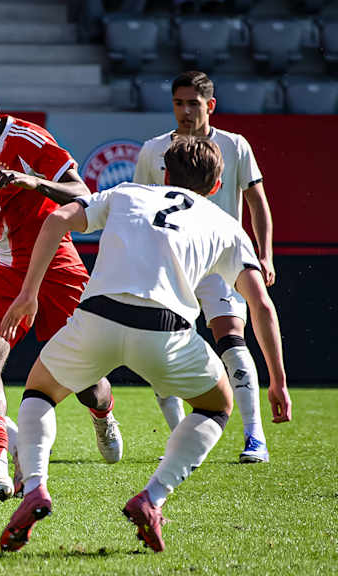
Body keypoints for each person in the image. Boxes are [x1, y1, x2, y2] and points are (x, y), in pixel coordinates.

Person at [0, 136, 291, 553]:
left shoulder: (126, 192)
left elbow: (57, 219)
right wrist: (277, 380)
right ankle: (152, 498)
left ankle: (34, 488)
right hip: (165, 332)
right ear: (215, 184)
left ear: (164, 174)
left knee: (40, 392)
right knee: (216, 406)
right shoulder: (226, 224)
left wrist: (29, 294)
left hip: (97, 318)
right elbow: (260, 303)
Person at [0, 76, 122, 500]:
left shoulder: (30, 140)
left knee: (85, 380)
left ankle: (103, 410)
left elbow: (82, 192)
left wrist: (34, 182)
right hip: (5, 269)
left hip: (56, 267)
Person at [134, 70, 275, 463]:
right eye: (178, 103)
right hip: (172, 261)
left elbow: (257, 202)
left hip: (218, 261)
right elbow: (141, 206)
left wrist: (264, 254)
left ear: (210, 105)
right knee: (158, 347)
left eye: (193, 103)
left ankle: (254, 437)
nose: (184, 111)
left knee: (231, 338)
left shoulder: (235, 146)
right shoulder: (153, 150)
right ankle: (179, 437)